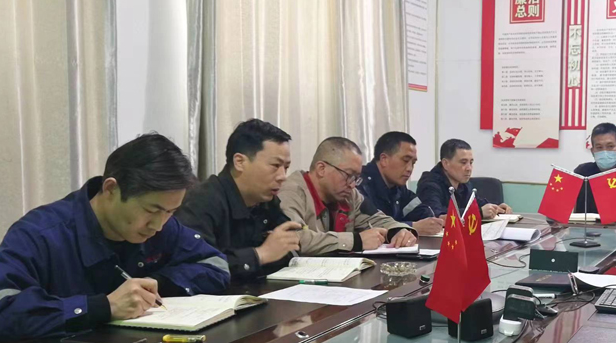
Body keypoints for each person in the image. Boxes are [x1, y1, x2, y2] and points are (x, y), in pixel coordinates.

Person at [0, 134, 231, 343]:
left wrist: (155, 286)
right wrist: (101, 307)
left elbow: (216, 265)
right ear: (111, 189)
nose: (159, 226)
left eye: (170, 212)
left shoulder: (162, 227)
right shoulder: (42, 234)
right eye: (151, 210)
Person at [175, 119, 302, 282]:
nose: (282, 176)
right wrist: (260, 254)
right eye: (275, 165)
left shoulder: (266, 199)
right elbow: (195, 268)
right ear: (240, 162)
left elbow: (287, 244)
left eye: (286, 167)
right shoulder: (202, 202)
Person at [279, 137, 417, 255]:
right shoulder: (291, 192)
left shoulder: (349, 195)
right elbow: (293, 239)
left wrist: (398, 231)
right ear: (321, 169)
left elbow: (377, 219)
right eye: (349, 175)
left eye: (356, 177)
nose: (352, 184)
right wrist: (356, 241)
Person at [357, 132, 444, 236]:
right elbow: (368, 225)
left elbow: (422, 212)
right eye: (405, 160)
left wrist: (434, 221)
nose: (410, 169)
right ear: (384, 159)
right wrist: (412, 226)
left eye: (413, 163)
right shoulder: (361, 185)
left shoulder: (398, 186)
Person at [416, 139, 512, 218]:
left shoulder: (462, 182)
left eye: (471, 162)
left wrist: (495, 207)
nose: (469, 168)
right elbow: (436, 216)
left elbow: (475, 202)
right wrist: (478, 212)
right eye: (463, 162)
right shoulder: (429, 185)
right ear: (445, 163)